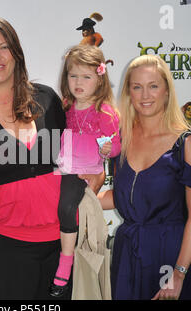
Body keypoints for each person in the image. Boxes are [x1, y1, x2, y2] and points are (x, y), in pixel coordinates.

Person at [0, 16, 105, 300]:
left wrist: (89, 188)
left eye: (4, 47)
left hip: (62, 242)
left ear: (16, 53)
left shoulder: (47, 98)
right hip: (7, 244)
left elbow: (79, 157)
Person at [98, 54, 191, 300]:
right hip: (127, 253)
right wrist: (80, 200)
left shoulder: (187, 144)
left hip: (170, 256)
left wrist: (179, 274)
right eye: (137, 87)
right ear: (128, 93)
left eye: (153, 86)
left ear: (167, 92)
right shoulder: (121, 139)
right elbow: (127, 197)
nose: (145, 95)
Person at [50, 44, 120, 297]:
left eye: (86, 76)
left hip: (83, 173)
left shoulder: (105, 112)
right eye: (73, 76)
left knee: (67, 209)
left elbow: (113, 149)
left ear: (99, 80)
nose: (78, 82)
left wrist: (106, 148)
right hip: (63, 169)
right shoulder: (66, 107)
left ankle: (65, 266)